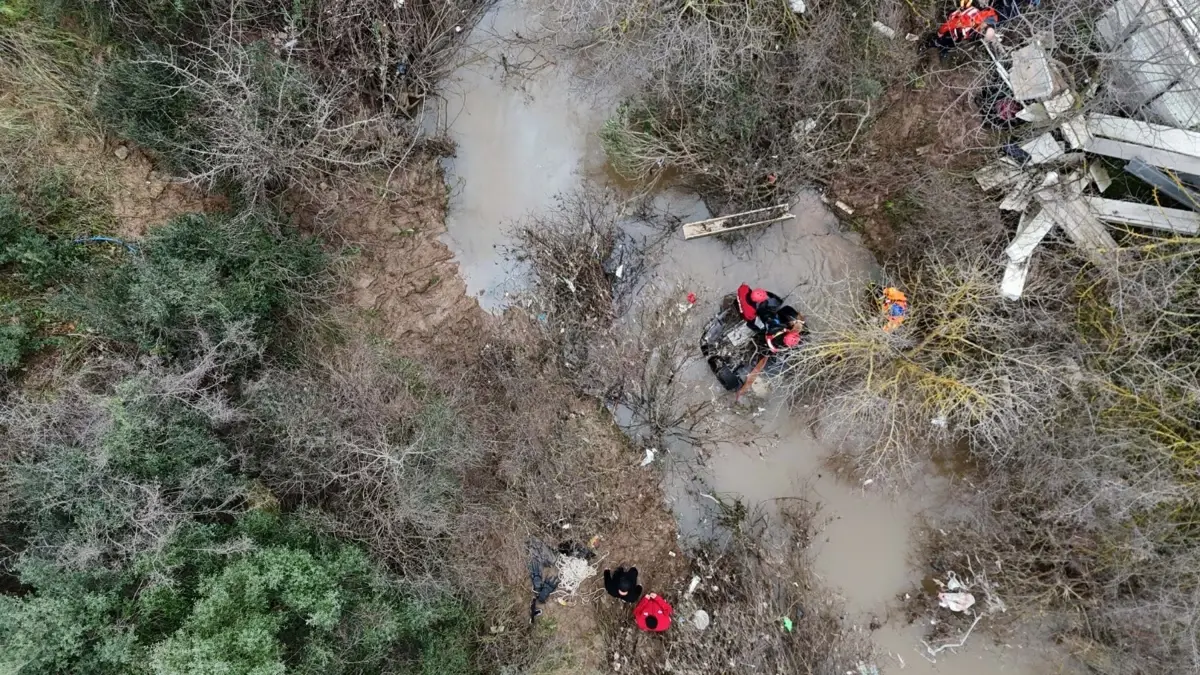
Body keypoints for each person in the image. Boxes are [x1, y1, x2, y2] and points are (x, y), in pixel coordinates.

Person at [930, 0, 999, 56]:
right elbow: (949, 25)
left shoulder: (988, 18)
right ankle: (934, 44)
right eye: (983, 31)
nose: (981, 32)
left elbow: (992, 14)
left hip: (965, 25)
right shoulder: (968, 20)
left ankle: (943, 48)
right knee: (949, 39)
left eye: (982, 33)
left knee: (957, 40)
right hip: (956, 25)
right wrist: (940, 32)